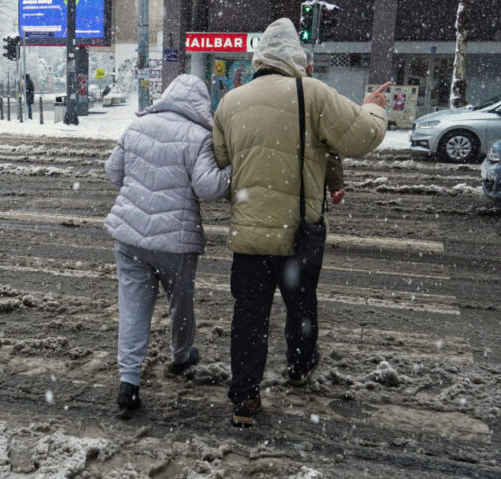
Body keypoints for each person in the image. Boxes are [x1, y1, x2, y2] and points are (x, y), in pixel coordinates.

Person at [212, 18, 389, 427]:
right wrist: (374, 107)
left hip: (250, 235)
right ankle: (299, 366)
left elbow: (221, 159)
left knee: (249, 315)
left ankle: (245, 399)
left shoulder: (230, 101)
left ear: (260, 57)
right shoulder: (312, 94)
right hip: (298, 234)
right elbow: (362, 138)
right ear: (297, 57)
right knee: (300, 305)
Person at [104, 74, 232, 414]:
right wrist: (232, 171)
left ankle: (128, 384)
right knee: (181, 302)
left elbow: (113, 172)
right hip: (175, 243)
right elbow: (209, 189)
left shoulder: (138, 126)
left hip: (129, 237)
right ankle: (180, 356)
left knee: (133, 309)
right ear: (202, 104)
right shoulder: (200, 136)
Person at [303, 49, 346, 206]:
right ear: (309, 68)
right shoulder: (317, 96)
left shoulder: (256, 94)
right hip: (307, 194)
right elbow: (330, 150)